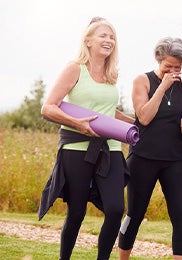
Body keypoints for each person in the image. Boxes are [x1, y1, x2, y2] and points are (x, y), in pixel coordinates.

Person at [39, 17, 132, 260]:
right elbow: (48, 108)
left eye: (112, 37)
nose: (108, 40)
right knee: (77, 212)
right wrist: (77, 123)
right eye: (103, 35)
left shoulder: (112, 75)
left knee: (115, 209)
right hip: (76, 148)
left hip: (109, 148)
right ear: (88, 40)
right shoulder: (75, 69)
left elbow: (109, 111)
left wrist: (135, 122)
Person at [117, 37, 182, 260]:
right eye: (168, 67)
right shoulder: (142, 81)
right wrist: (162, 87)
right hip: (143, 157)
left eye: (178, 68)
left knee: (180, 217)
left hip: (174, 160)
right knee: (134, 214)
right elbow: (143, 117)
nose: (173, 71)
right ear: (158, 60)